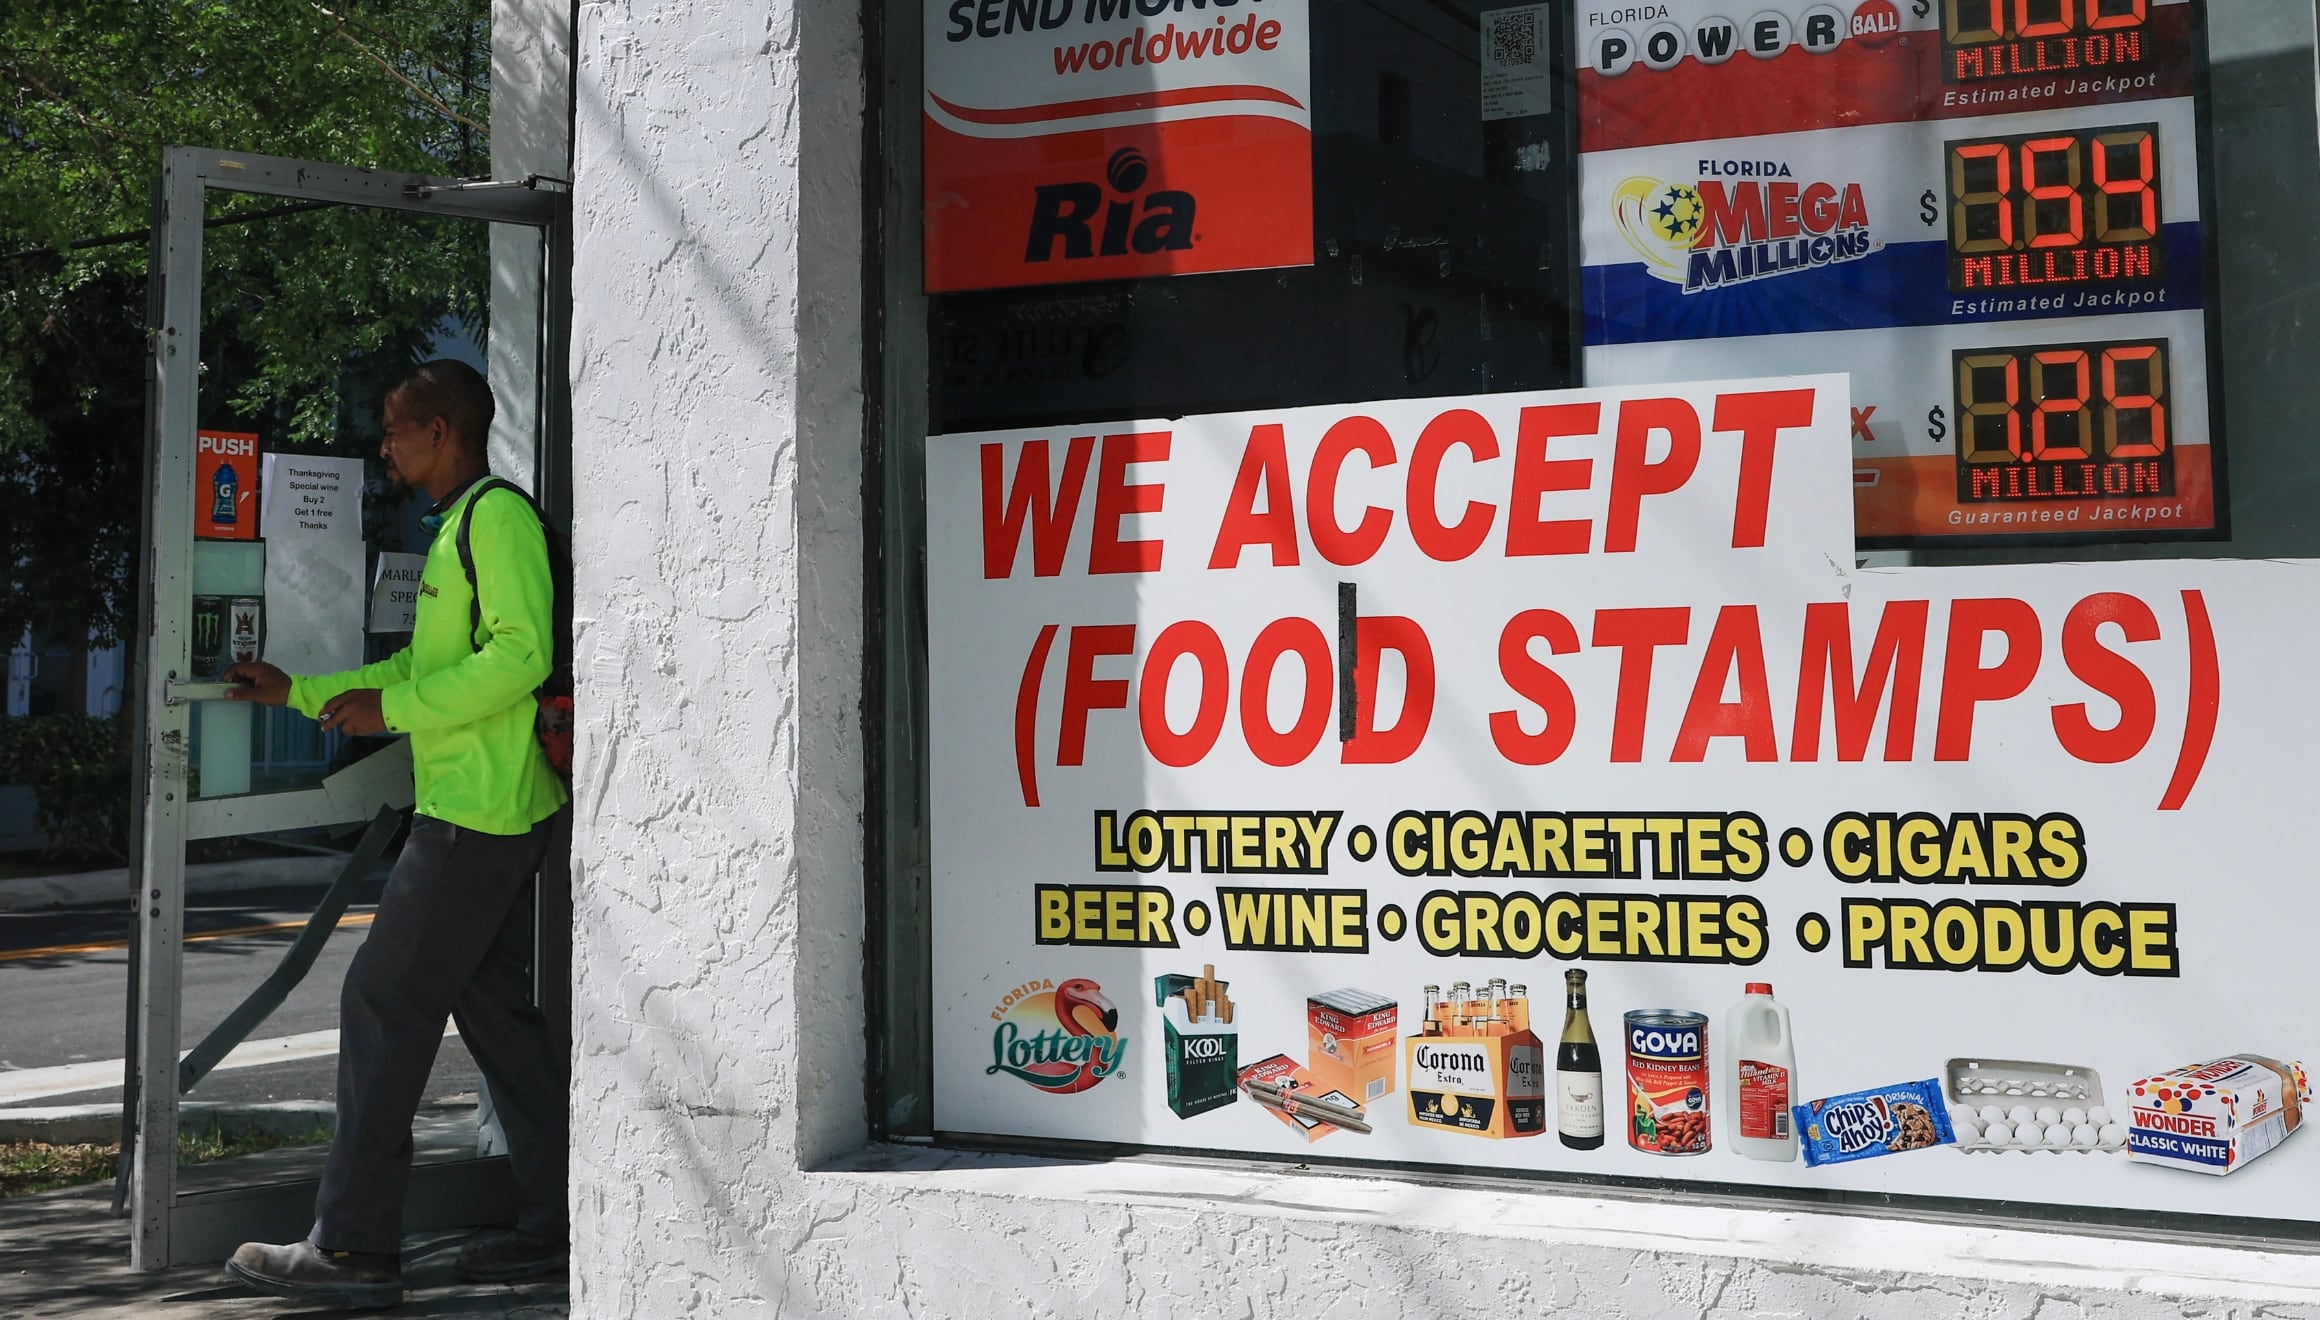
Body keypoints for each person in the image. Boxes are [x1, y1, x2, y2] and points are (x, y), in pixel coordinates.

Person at [220, 359, 570, 1310]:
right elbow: (424, 663)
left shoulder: (496, 518)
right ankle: (568, 1217)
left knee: (381, 1001)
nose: (384, 448)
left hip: (480, 812)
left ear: (441, 432)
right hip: (480, 806)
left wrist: (399, 709)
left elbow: (520, 655)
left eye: (394, 430)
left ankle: (354, 1248)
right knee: (498, 1018)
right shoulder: (456, 527)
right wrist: (307, 692)